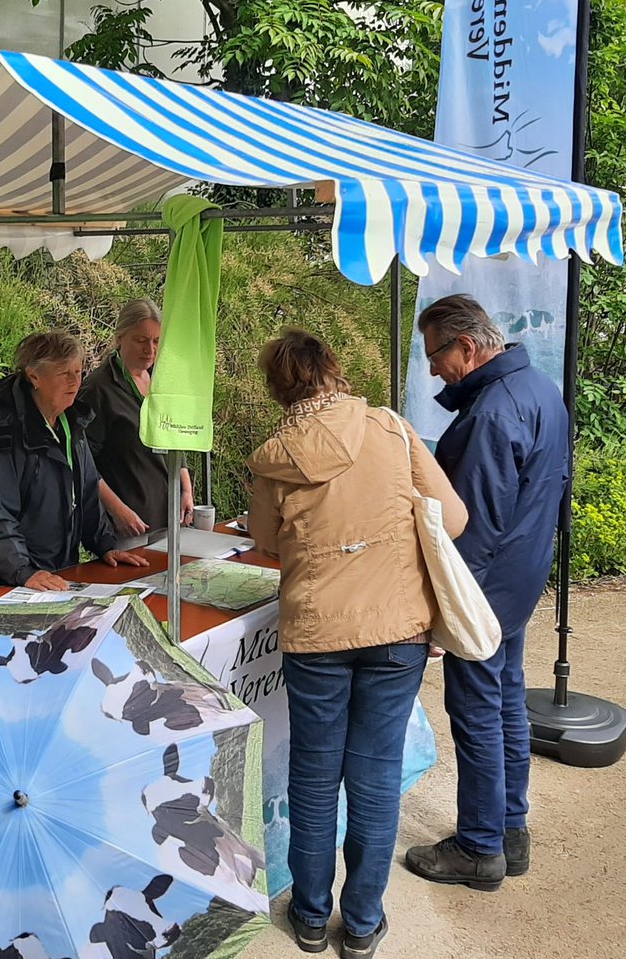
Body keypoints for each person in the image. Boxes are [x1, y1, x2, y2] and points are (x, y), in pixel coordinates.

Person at [247, 329, 467, 959]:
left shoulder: (275, 454)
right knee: (374, 778)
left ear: (279, 387)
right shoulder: (392, 430)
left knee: (314, 778)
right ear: (333, 370)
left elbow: (265, 538)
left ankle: (311, 918)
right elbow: (453, 519)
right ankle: (364, 922)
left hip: (315, 630)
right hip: (396, 629)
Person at [405, 295, 569, 892]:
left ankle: (478, 847)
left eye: (435, 355)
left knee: (476, 711)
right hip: (521, 578)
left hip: (485, 591)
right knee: (505, 704)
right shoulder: (540, 389)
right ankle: (510, 830)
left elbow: (471, 528)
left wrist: (445, 613)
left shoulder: (492, 413)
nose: (432, 370)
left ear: (467, 347)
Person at [0, 330, 145, 591]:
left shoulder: (72, 421)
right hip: (6, 581)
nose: (75, 382)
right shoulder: (1, 431)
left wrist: (105, 545)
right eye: (64, 374)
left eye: (78, 372)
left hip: (56, 573)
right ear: (34, 377)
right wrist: (23, 571)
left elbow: (86, 490)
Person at [76, 298, 195, 533]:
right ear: (120, 337)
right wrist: (117, 510)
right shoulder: (98, 389)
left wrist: (186, 489)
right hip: (130, 524)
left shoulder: (162, 379)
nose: (149, 350)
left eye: (156, 341)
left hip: (172, 515)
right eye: (140, 340)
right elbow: (82, 462)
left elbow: (174, 437)